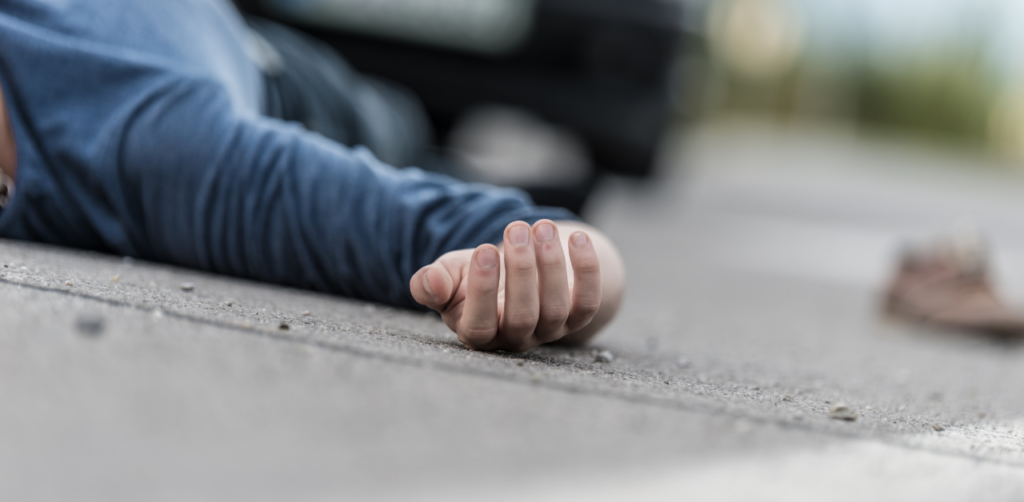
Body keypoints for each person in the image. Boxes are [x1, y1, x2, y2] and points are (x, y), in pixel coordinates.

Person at [0, 0, 624, 352]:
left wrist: (547, 272)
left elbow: (571, 248)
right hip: (193, 40)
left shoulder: (166, 152)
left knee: (398, 132)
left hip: (294, 85)